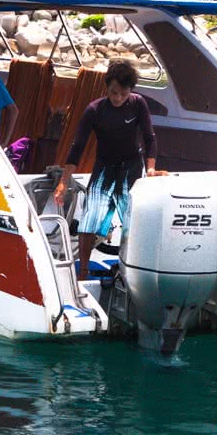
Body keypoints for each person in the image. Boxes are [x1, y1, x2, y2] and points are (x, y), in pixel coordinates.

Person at [53, 59, 162, 279]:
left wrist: (150, 170)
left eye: (123, 93)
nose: (118, 98)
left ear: (131, 91)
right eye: (113, 93)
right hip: (104, 168)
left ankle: (133, 269)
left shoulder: (138, 104)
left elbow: (150, 138)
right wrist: (64, 182)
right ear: (106, 88)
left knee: (132, 219)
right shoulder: (94, 110)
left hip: (132, 167)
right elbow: (77, 147)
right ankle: (83, 270)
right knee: (90, 219)